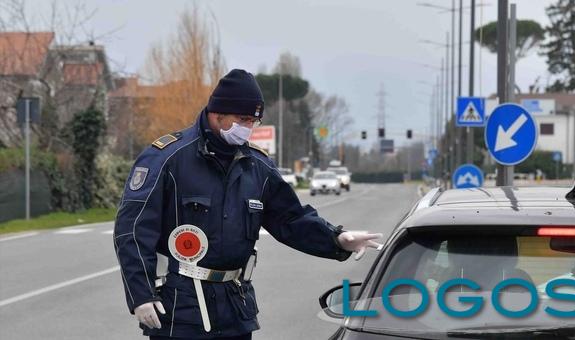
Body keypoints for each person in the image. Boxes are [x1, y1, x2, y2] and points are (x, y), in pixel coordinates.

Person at [113, 69, 382, 340]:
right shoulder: (168, 159)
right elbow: (133, 230)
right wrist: (141, 295)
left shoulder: (257, 166)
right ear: (217, 115)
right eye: (243, 119)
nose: (249, 127)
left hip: (235, 308)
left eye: (254, 120)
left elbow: (291, 219)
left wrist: (336, 239)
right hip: (179, 310)